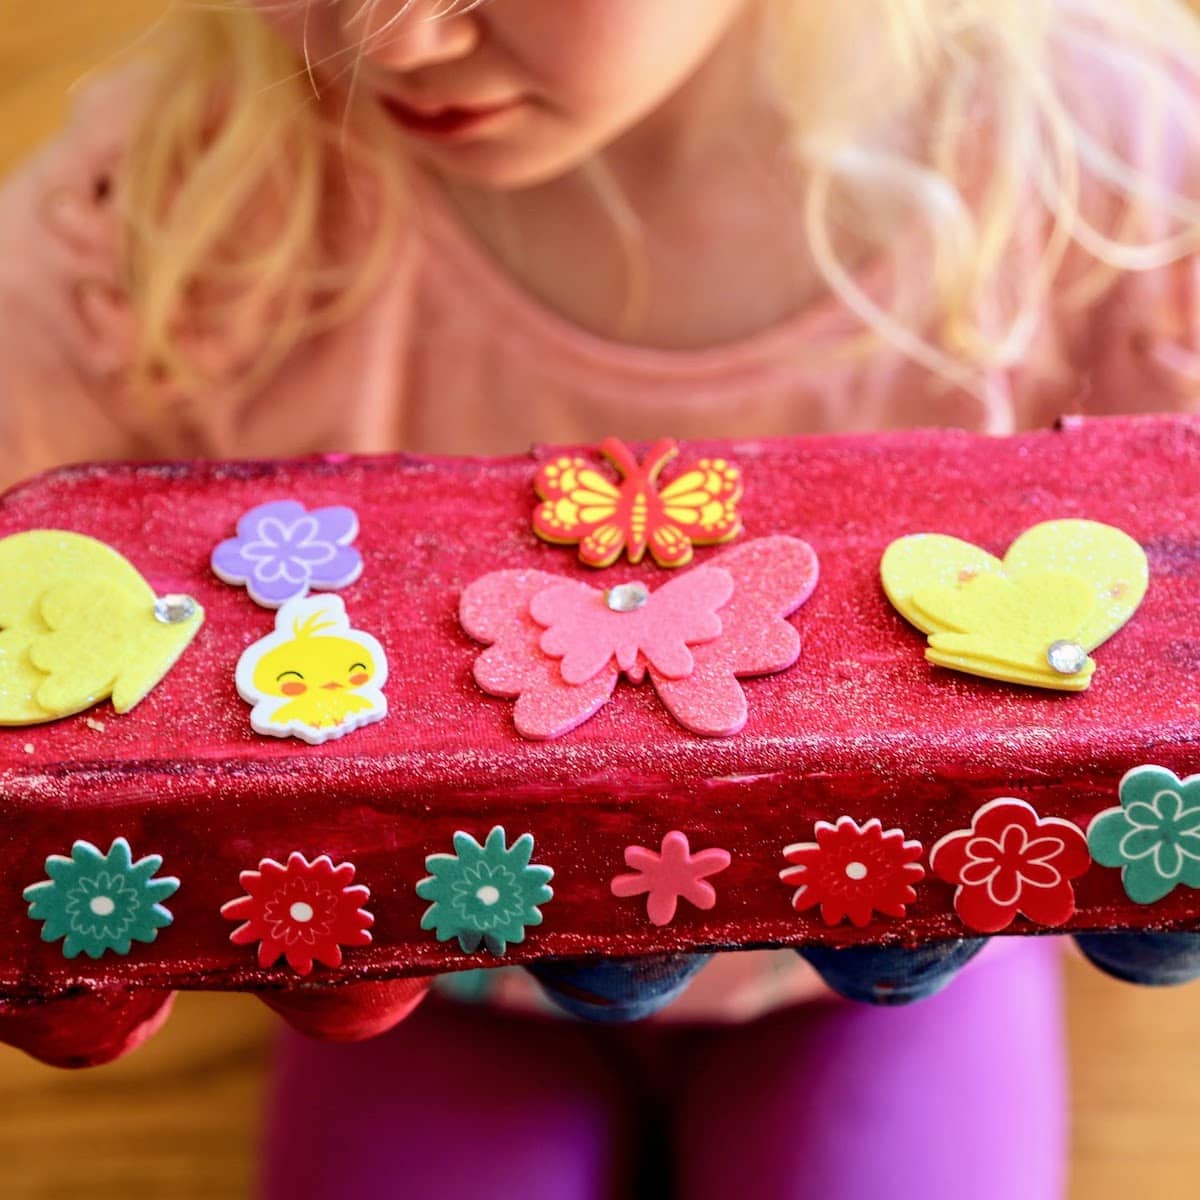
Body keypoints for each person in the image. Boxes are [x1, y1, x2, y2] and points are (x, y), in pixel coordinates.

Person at [3, 2, 1200, 1197]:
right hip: (427, 961)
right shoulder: (175, 199)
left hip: (902, 936)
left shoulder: (1100, 169)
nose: (398, 39)